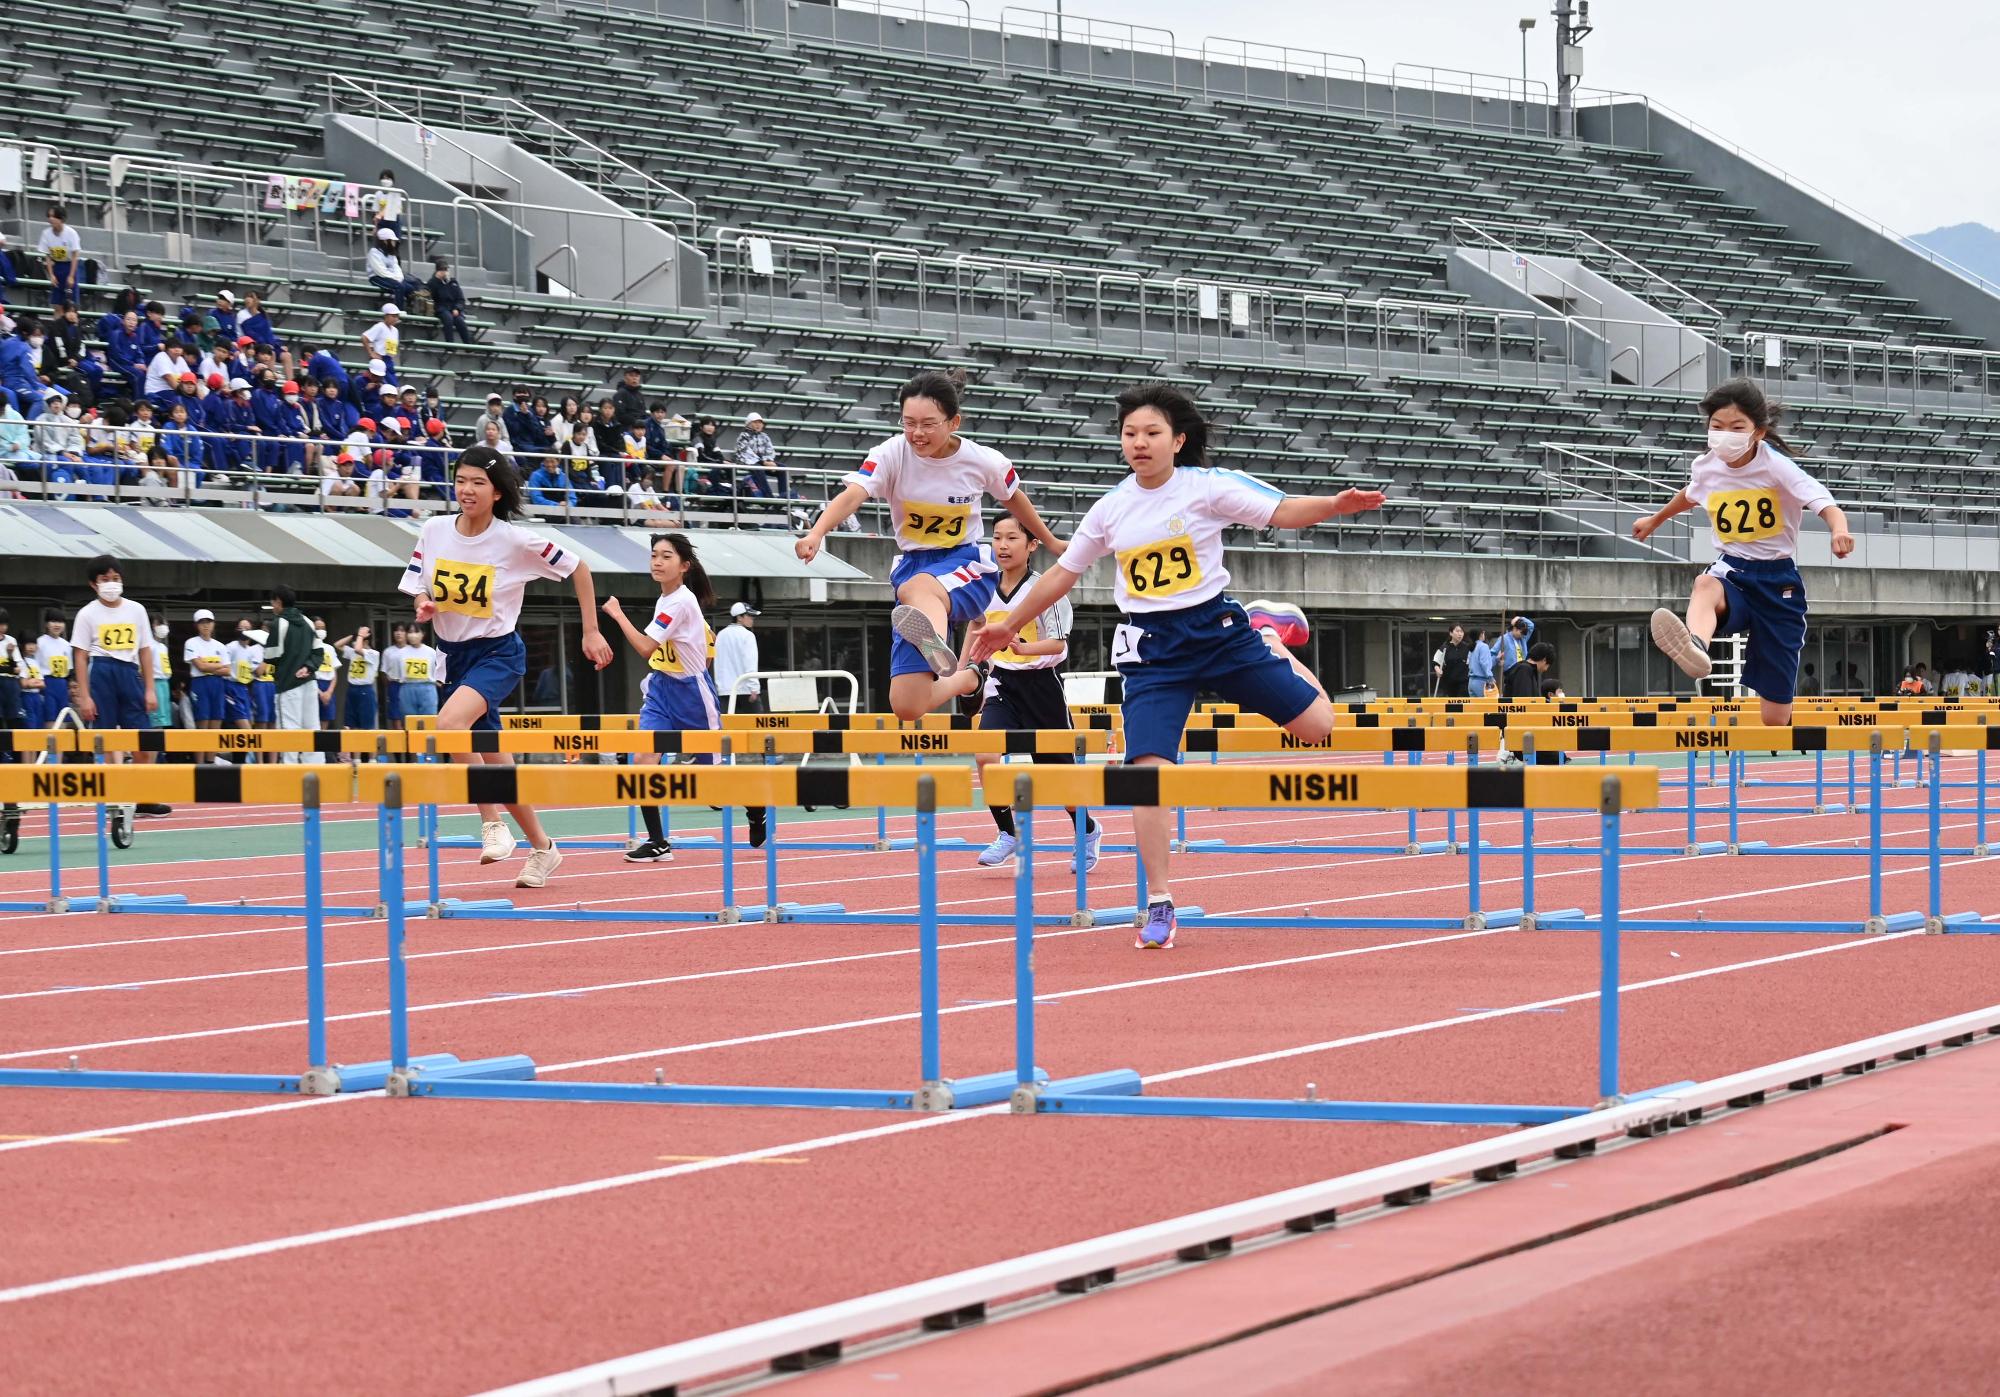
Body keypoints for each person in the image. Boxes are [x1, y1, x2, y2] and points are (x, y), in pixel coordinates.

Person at [967, 381, 1384, 950]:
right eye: (1130, 434)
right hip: (1152, 652)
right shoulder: (1112, 508)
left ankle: (1271, 639)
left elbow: (1281, 510)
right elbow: (1064, 574)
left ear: (1177, 440)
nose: (1139, 443)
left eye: (1151, 433)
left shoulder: (1206, 488)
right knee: (1147, 773)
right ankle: (1159, 902)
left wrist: (1335, 506)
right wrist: (1008, 624)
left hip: (1218, 633)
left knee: (1318, 728)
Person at [794, 369, 1065, 721]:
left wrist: (1050, 540)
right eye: (908, 423)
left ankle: (934, 639)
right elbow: (854, 494)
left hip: (966, 565)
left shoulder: (982, 460)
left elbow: (1015, 499)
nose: (916, 434)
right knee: (908, 705)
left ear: (954, 422)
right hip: (913, 565)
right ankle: (969, 678)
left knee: (918, 590)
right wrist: (817, 533)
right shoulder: (891, 453)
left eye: (928, 424)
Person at [398, 445, 613, 887]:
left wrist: (590, 631)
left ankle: (491, 822)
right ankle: (544, 848)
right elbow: (418, 584)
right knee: (498, 763)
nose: (467, 490)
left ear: (497, 492)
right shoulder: (434, 529)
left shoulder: (515, 540)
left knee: (448, 726)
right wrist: (424, 603)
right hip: (453, 657)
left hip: (497, 653)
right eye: (461, 481)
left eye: (478, 482)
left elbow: (580, 568)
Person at [1636, 378, 1854, 726]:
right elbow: (1691, 494)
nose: (1725, 434)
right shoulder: (1706, 466)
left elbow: (1823, 501)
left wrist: (1839, 530)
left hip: (1778, 581)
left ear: (1758, 432)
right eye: (1717, 427)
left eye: (1736, 427)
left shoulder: (1776, 467)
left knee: (1774, 720)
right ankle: (1696, 646)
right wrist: (1656, 519)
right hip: (1733, 571)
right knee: (1705, 584)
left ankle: (1773, 701)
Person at [600, 532, 764, 860]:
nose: (657, 562)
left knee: (712, 783)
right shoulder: (667, 599)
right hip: (662, 691)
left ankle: (755, 803)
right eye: (654, 556)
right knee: (644, 762)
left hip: (693, 696)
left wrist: (617, 615)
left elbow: (647, 647)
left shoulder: (679, 602)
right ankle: (658, 841)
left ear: (684, 566)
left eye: (666, 557)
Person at [969, 514, 1102, 872]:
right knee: (985, 757)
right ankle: (1008, 833)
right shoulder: (983, 587)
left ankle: (1087, 831)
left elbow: (1060, 646)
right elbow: (976, 627)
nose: (1002, 545)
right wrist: (966, 667)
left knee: (1060, 781)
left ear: (1032, 545)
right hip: (1003, 687)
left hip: (1042, 689)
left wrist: (1022, 648)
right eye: (997, 537)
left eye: (1012, 538)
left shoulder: (1047, 589)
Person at [69, 555, 171, 831]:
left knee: (143, 738)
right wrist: (85, 696)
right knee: (106, 740)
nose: (111, 584)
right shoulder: (87, 614)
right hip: (101, 672)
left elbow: (145, 650)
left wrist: (150, 688)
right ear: (94, 584)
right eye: (104, 580)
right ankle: (110, 798)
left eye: (116, 578)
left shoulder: (136, 610)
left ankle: (145, 797)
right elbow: (80, 656)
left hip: (129, 672)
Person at [267, 585, 322, 762]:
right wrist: (308, 666)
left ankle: (288, 773)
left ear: (279, 602)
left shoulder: (278, 623)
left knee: (288, 730)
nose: (272, 605)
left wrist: (265, 643)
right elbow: (318, 652)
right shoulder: (307, 621)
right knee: (312, 728)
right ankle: (316, 770)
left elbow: (271, 655)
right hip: (309, 682)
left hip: (288, 684)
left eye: (273, 601)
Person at [182, 609, 231, 734]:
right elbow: (200, 668)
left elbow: (228, 671)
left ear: (213, 624)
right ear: (196, 625)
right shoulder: (191, 643)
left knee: (216, 723)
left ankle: (211, 755)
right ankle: (199, 754)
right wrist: (219, 665)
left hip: (218, 685)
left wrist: (207, 666)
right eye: (202, 622)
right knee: (202, 724)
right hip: (200, 684)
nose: (206, 625)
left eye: (209, 622)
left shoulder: (220, 646)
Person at [713, 601, 761, 713]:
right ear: (739, 617)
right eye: (749, 615)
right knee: (756, 728)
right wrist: (754, 688)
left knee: (728, 728)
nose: (752, 618)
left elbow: (718, 664)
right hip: (746, 690)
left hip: (724, 691)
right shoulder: (748, 635)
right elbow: (750, 663)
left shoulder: (721, 635)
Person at [337, 626, 381, 731]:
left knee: (366, 723)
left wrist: (360, 635)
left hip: (365, 689)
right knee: (350, 722)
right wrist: (354, 634)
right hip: (352, 688)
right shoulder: (352, 652)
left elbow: (358, 649)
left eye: (358, 639)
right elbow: (338, 645)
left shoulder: (373, 653)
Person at [36, 206, 83, 307]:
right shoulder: (46, 233)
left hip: (69, 266)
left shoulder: (71, 233)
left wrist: (71, 276)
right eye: (49, 216)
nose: (51, 219)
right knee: (57, 304)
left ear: (61, 218)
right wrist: (51, 275)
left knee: (71, 304)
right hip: (56, 266)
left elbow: (75, 255)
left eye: (54, 216)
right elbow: (47, 256)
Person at [366, 229, 421, 309]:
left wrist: (399, 278)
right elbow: (381, 271)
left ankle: (411, 308)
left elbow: (396, 267)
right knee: (399, 287)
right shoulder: (374, 252)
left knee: (411, 287)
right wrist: (396, 279)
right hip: (377, 277)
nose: (394, 243)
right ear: (385, 241)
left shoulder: (391, 253)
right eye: (392, 241)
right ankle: (399, 310)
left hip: (394, 278)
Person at [34, 611, 74, 722]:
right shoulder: (40, 642)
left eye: (60, 622)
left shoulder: (66, 645)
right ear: (46, 624)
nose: (57, 625)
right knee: (49, 716)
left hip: (62, 683)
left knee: (64, 715)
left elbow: (69, 668)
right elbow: (34, 666)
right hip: (46, 682)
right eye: (53, 621)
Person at [399, 624, 442, 719]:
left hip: (427, 688)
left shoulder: (431, 652)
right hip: (407, 688)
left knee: (428, 720)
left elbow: (437, 672)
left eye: (416, 632)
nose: (413, 635)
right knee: (409, 720)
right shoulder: (401, 652)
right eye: (410, 632)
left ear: (423, 634)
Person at [426, 260, 470, 343]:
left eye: (446, 270)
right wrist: (437, 280)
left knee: (460, 322)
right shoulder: (432, 282)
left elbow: (461, 299)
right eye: (442, 270)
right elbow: (432, 297)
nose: (445, 272)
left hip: (453, 308)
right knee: (448, 319)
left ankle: (469, 346)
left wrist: (457, 308)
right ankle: (450, 345)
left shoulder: (453, 282)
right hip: (441, 308)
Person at [1495, 616, 1535, 699]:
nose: (1522, 635)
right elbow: (1493, 653)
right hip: (1510, 670)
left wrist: (1519, 618)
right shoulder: (1504, 639)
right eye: (1521, 632)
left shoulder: (1522, 638)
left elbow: (1531, 626)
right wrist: (1497, 659)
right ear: (1515, 629)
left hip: (1522, 668)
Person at [361, 304, 402, 383]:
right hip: (380, 359)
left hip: (389, 360)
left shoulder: (395, 330)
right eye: (393, 316)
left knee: (393, 384)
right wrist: (371, 352)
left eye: (397, 316)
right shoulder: (379, 327)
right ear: (386, 316)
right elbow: (364, 337)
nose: (395, 318)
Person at [381, 622, 410, 729]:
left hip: (409, 685)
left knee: (409, 714)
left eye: (402, 631)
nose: (398, 633)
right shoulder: (388, 651)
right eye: (396, 630)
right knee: (395, 714)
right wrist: (388, 686)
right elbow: (383, 671)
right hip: (394, 684)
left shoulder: (412, 650)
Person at [1432, 623, 1471, 698]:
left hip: (1464, 683)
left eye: (1461, 631)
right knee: (1451, 706)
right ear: (1451, 633)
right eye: (1457, 631)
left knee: (1463, 704)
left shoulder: (1467, 647)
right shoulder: (1444, 647)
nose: (1460, 634)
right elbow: (1435, 662)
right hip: (1449, 683)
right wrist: (1437, 669)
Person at [1466, 626, 1495, 698]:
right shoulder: (1484, 646)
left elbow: (1468, 662)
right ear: (1481, 634)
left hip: (1471, 682)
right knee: (1485, 707)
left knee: (1475, 708)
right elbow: (1484, 663)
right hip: (1481, 681)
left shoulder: (1471, 647)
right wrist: (1490, 677)